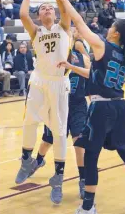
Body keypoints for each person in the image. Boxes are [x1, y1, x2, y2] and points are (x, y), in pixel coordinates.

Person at [43, 0, 125, 214]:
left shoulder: (102, 46)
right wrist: (72, 65)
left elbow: (77, 20)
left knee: (90, 155)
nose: (108, 26)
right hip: (119, 107)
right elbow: (94, 74)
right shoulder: (124, 56)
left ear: (114, 33)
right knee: (124, 149)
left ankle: (89, 207)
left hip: (100, 108)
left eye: (112, 25)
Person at [15, 0, 71, 207]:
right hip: (39, 80)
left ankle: (58, 177)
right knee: (29, 121)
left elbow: (63, 5)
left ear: (55, 14)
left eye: (50, 7)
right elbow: (23, 16)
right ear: (40, 16)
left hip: (59, 84)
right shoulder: (35, 31)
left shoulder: (64, 28)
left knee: (59, 133)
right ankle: (26, 158)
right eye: (43, 8)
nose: (47, 9)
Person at [29, 29, 91, 201]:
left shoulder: (83, 57)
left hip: (77, 104)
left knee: (79, 143)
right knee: (49, 141)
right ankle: (40, 161)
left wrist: (93, 97)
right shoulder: (50, 56)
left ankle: (83, 180)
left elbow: (92, 76)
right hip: (56, 103)